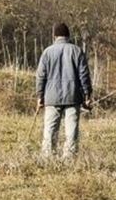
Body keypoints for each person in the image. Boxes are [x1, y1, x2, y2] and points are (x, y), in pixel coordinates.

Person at [35, 22, 92, 158]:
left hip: (51, 97)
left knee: (49, 130)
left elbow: (40, 76)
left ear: (54, 36)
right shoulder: (77, 51)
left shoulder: (47, 52)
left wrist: (40, 96)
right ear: (68, 35)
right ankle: (69, 158)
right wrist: (87, 94)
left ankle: (48, 158)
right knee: (71, 131)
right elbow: (84, 75)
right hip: (73, 96)